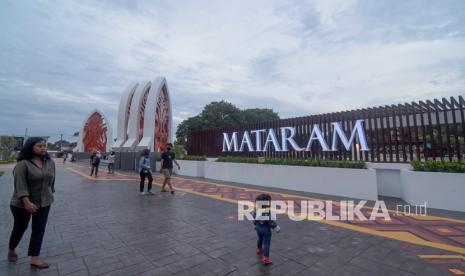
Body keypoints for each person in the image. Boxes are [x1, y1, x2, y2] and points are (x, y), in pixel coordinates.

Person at [7, 137, 55, 269]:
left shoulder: (50, 162)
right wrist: (26, 202)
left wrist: (50, 194)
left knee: (39, 230)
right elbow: (20, 185)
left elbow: (52, 180)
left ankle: (35, 258)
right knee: (20, 228)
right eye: (39, 146)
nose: (43, 148)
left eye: (45, 145)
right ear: (30, 147)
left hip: (44, 202)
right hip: (22, 204)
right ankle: (12, 249)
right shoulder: (23, 164)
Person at [253, 193, 280, 265]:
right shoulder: (267, 211)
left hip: (258, 228)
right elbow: (270, 221)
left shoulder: (256, 210)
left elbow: (254, 218)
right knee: (266, 244)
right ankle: (266, 258)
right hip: (266, 231)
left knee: (260, 239)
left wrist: (255, 224)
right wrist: (276, 228)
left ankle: (259, 249)